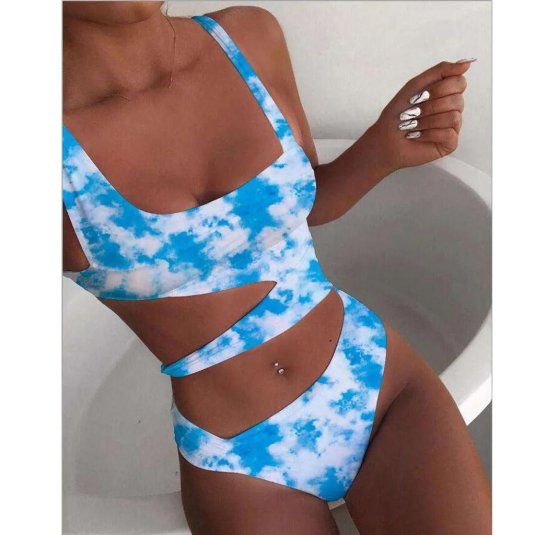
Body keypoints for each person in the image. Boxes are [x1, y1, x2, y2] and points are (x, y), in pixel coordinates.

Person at [62, 2, 491, 534]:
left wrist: (383, 149)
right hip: (241, 464)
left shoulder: (248, 37)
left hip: (377, 385)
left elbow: (304, 204)